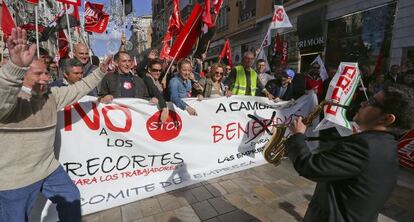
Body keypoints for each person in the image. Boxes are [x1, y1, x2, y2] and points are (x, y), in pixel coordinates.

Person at [0, 27, 110, 222]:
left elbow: (80, 88)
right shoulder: (11, 100)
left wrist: (100, 71)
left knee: (72, 198)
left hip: (48, 168)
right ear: (22, 76)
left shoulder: (52, 96)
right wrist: (13, 69)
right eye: (38, 74)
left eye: (46, 73)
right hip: (14, 179)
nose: (46, 78)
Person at [286, 83, 414, 222]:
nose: (363, 103)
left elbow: (309, 167)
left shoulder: (364, 145)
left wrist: (297, 136)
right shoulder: (387, 144)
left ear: (387, 118)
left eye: (372, 102)